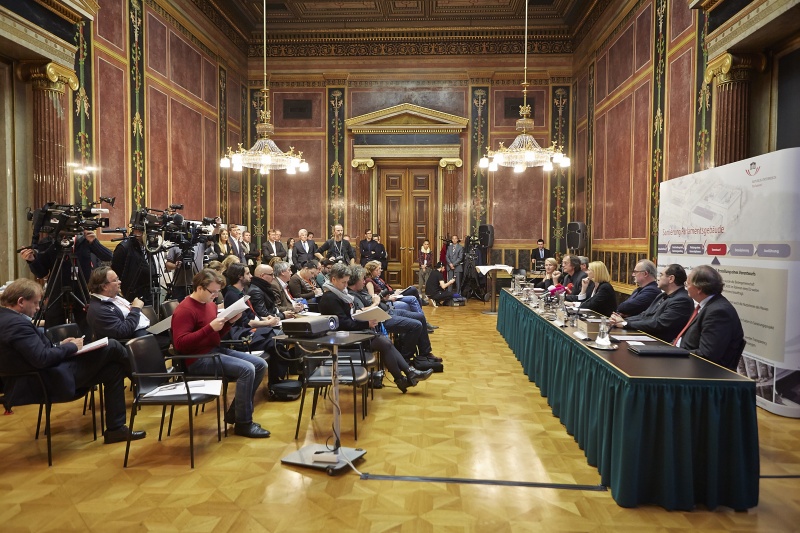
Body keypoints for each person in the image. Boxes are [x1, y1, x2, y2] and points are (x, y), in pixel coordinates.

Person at [0, 278, 145, 444]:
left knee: (113, 370)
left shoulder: (6, 319)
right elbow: (42, 358)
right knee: (111, 346)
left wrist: (59, 345)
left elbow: (32, 351)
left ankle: (116, 430)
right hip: (45, 380)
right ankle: (144, 382)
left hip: (47, 373)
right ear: (20, 301)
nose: (38, 308)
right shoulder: (15, 324)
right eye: (35, 303)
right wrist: (72, 347)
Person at [171, 269, 270, 438]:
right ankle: (243, 423)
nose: (216, 295)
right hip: (196, 360)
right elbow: (180, 344)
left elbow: (214, 336)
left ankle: (236, 414)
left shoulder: (208, 303)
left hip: (213, 351)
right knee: (247, 369)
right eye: (213, 291)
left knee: (260, 364)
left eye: (218, 291)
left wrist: (228, 323)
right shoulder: (185, 310)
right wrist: (209, 328)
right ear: (200, 288)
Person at [318, 264, 432, 393]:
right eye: (343, 282)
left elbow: (350, 315)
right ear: (333, 280)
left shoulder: (339, 294)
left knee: (385, 341)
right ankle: (405, 377)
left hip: (351, 332)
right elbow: (343, 323)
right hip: (343, 338)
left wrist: (363, 316)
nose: (346, 285)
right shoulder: (330, 298)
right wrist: (366, 324)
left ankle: (406, 376)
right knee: (384, 342)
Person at [20, 227, 113, 328]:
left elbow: (108, 257)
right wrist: (32, 260)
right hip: (57, 289)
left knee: (86, 326)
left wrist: (94, 242)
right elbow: (41, 273)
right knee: (53, 327)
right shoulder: (50, 242)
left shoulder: (85, 240)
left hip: (83, 289)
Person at [350, 265, 441, 363]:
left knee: (420, 317)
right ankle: (405, 358)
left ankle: (425, 353)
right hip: (382, 319)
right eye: (362, 279)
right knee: (416, 325)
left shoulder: (361, 290)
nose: (364, 281)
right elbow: (362, 312)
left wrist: (382, 299)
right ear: (355, 280)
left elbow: (373, 300)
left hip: (388, 310)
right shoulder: (353, 295)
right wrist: (376, 303)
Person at [85, 266, 171, 359]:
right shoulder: (99, 309)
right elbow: (122, 331)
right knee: (178, 341)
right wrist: (136, 308)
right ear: (104, 286)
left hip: (148, 331)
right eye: (115, 280)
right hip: (135, 342)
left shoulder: (114, 297)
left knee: (177, 325)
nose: (120, 282)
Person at [674, 265, 745, 370]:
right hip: (688, 362)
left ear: (699, 289)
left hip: (703, 372)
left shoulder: (718, 312)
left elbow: (707, 355)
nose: (686, 287)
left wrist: (674, 353)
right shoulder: (709, 306)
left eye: (687, 284)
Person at [608, 264, 695, 342]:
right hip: (649, 338)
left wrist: (625, 324)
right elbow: (644, 315)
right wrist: (621, 321)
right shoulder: (661, 296)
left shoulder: (682, 300)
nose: (658, 278)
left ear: (671, 279)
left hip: (662, 345)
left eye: (661, 275)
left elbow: (659, 324)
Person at [111, 225, 158, 306]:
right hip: (131, 297)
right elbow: (116, 272)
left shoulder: (147, 246)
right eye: (146, 232)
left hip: (149, 295)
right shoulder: (123, 248)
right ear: (137, 231)